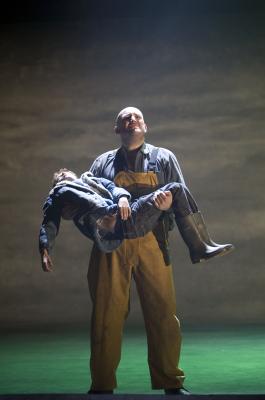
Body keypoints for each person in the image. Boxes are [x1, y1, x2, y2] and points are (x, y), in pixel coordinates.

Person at [86, 106, 233, 395]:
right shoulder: (101, 163)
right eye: (125, 118)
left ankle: (170, 382)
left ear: (146, 126)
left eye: (136, 117)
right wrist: (99, 218)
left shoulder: (164, 158)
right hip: (110, 248)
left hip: (153, 243)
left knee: (163, 315)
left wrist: (165, 210)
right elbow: (86, 202)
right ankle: (101, 386)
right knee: (106, 317)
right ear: (117, 129)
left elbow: (181, 201)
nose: (131, 121)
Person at [39, 168, 233, 272]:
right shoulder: (59, 193)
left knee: (175, 188)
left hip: (130, 217)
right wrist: (45, 248)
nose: (64, 176)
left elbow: (114, 188)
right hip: (111, 229)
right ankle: (108, 209)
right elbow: (49, 222)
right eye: (60, 176)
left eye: (66, 174)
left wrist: (122, 198)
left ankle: (200, 247)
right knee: (63, 190)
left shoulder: (91, 181)